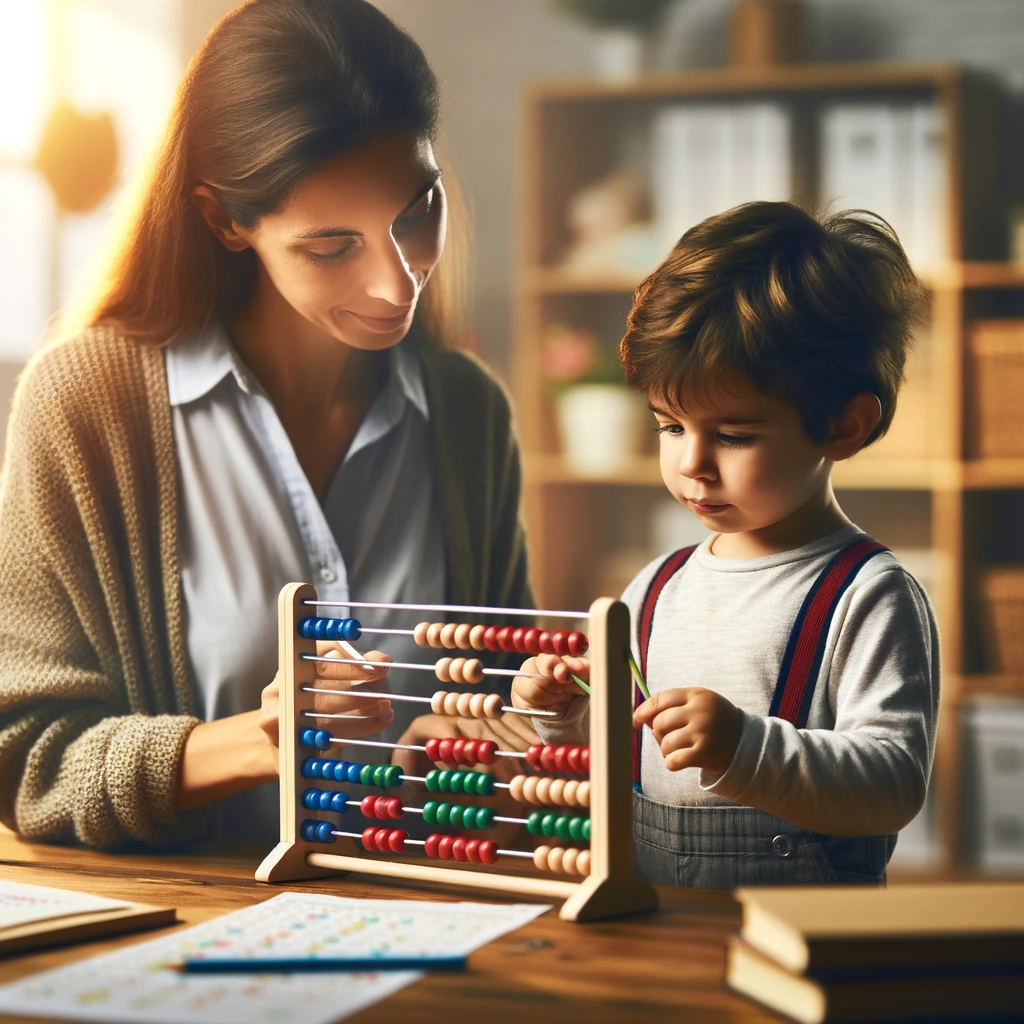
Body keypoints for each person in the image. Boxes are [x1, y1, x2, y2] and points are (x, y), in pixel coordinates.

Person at [0, 0, 532, 850]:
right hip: (178, 931)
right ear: (225, 220)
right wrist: (251, 743)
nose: (399, 286)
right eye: (332, 247)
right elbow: (26, 759)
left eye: (417, 214)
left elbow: (506, 698)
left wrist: (515, 734)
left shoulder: (467, 409)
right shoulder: (85, 405)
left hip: (441, 919)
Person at [512, 202, 939, 888]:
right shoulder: (654, 588)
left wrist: (746, 748)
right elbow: (630, 755)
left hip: (802, 935)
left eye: (733, 436)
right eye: (670, 426)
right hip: (655, 928)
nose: (692, 464)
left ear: (843, 426)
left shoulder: (869, 593)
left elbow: (894, 783)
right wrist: (567, 720)